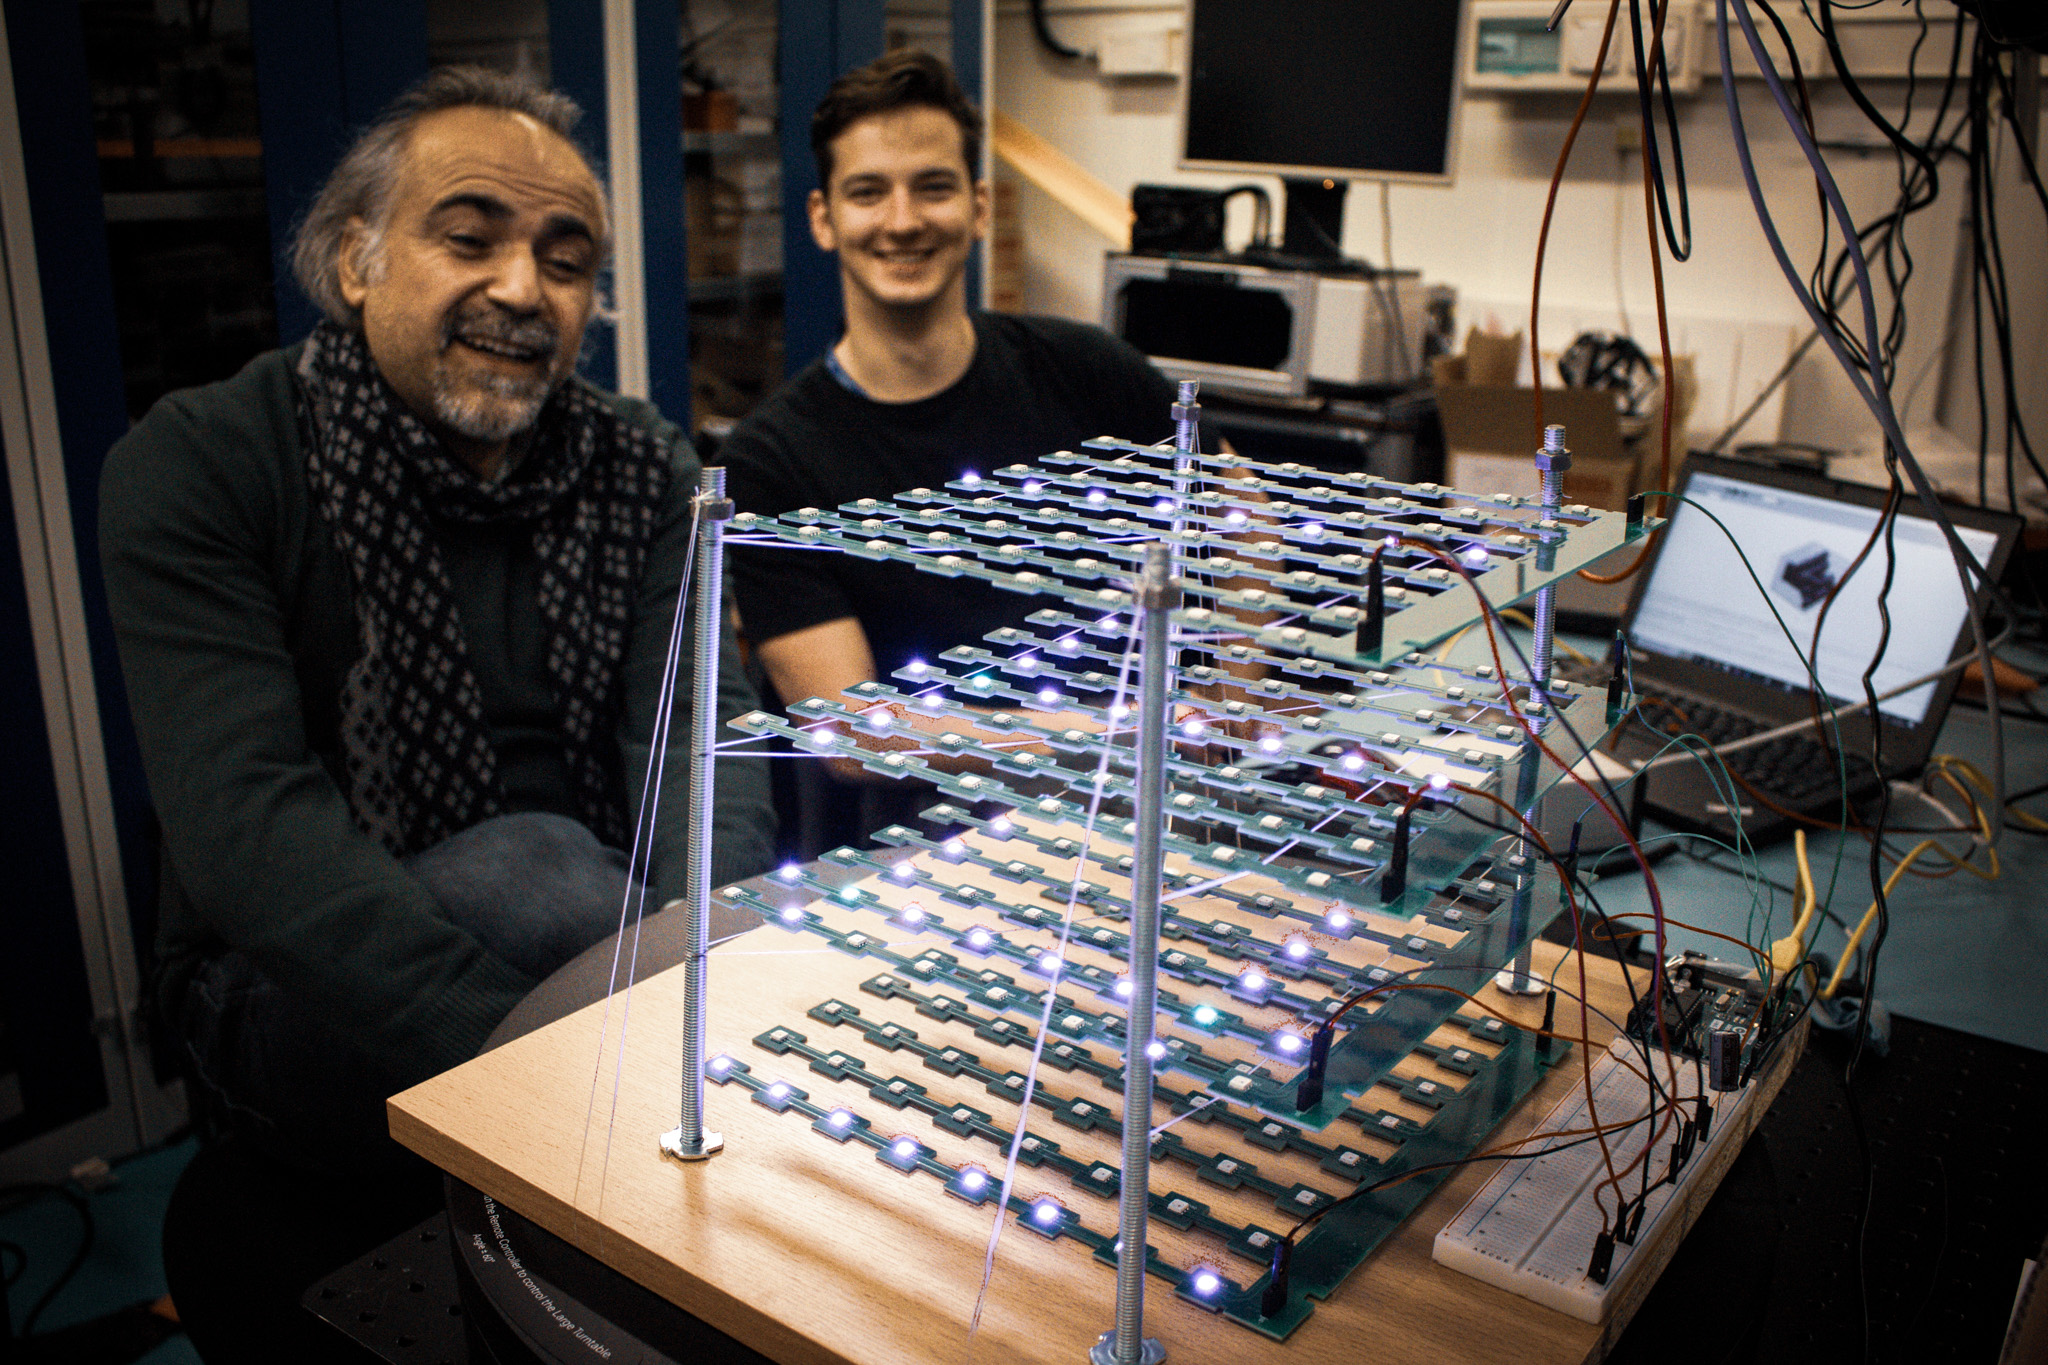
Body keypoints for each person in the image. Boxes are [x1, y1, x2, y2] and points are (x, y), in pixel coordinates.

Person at [100, 66, 776, 1182]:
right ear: (356, 261)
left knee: (755, 912)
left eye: (565, 264)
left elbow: (700, 731)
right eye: (469, 240)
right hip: (289, 987)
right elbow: (250, 834)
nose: (522, 289)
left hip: (603, 959)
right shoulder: (205, 463)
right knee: (536, 867)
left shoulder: (644, 464)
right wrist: (539, 1062)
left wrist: (715, 959)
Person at [720, 50, 1216, 839]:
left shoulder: (1087, 370)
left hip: (1135, 819)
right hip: (921, 846)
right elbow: (852, 735)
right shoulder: (773, 459)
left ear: (980, 206)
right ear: (823, 218)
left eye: (934, 186)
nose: (904, 219)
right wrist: (1110, 740)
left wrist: (1228, 708)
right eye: (868, 192)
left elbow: (1244, 513)